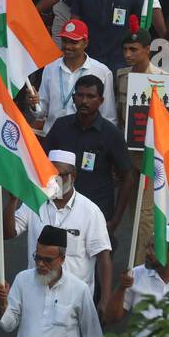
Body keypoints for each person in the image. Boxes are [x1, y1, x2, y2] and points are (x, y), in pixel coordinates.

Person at [4, 150, 113, 305]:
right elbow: (8, 233)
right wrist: (12, 201)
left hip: (74, 301)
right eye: (51, 175)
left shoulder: (90, 211)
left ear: (73, 176)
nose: (55, 180)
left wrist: (105, 299)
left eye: (61, 175)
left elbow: (103, 257)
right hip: (36, 296)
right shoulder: (34, 201)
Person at [43, 73, 133, 233]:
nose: (84, 101)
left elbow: (127, 177)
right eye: (80, 95)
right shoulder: (61, 126)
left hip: (97, 213)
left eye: (90, 96)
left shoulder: (111, 134)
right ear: (73, 97)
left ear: (101, 101)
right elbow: (41, 162)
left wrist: (115, 221)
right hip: (59, 210)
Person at [34, 19, 116, 130]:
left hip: (87, 140)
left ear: (85, 43)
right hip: (54, 138)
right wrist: (34, 104)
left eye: (73, 42)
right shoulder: (50, 68)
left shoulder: (102, 72)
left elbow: (108, 116)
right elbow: (41, 113)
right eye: (64, 41)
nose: (67, 46)